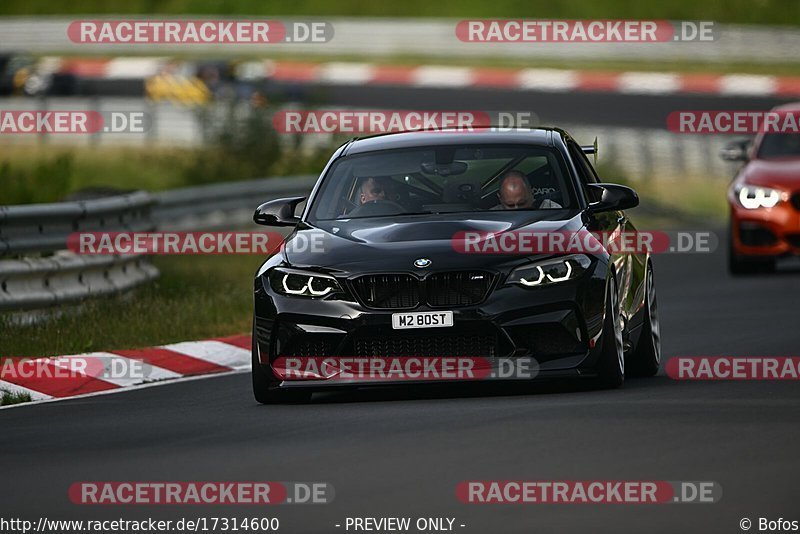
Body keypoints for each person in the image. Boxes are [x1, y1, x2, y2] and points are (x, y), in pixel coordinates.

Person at [495, 170, 562, 210]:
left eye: (522, 203)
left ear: (532, 193)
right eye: (510, 205)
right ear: (500, 199)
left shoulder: (550, 209)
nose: (517, 209)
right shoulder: (492, 217)